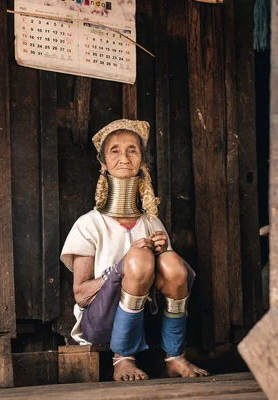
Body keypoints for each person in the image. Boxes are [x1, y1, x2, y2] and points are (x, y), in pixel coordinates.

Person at [60, 119, 209, 381]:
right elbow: (81, 295)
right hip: (102, 322)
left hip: (149, 324)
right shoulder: (89, 224)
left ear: (142, 160)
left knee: (172, 261)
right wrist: (122, 267)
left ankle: (174, 356)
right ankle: (123, 358)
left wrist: (161, 254)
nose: (124, 157)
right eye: (115, 150)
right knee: (138, 258)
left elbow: (171, 278)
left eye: (132, 150)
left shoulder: (151, 222)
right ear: (103, 163)